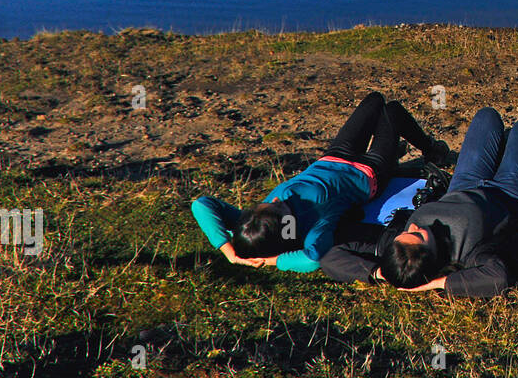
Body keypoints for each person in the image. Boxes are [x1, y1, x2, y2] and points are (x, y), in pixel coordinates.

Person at [191, 91, 446, 273]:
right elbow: (313, 259)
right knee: (392, 111)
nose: (277, 199)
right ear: (286, 227)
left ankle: (395, 153)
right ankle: (431, 149)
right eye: (279, 208)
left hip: (334, 157)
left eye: (268, 203)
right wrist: (272, 261)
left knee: (374, 100)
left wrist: (229, 252)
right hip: (369, 173)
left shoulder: (254, 226)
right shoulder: (317, 225)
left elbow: (201, 205)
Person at [372, 107, 518, 298]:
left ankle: (504, 156)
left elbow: (338, 258)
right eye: (419, 235)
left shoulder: (399, 251)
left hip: (464, 183)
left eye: (405, 232)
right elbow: (498, 277)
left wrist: (382, 274)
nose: (413, 226)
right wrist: (438, 284)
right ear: (431, 255)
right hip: (507, 194)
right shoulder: (466, 254)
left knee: (487, 116)